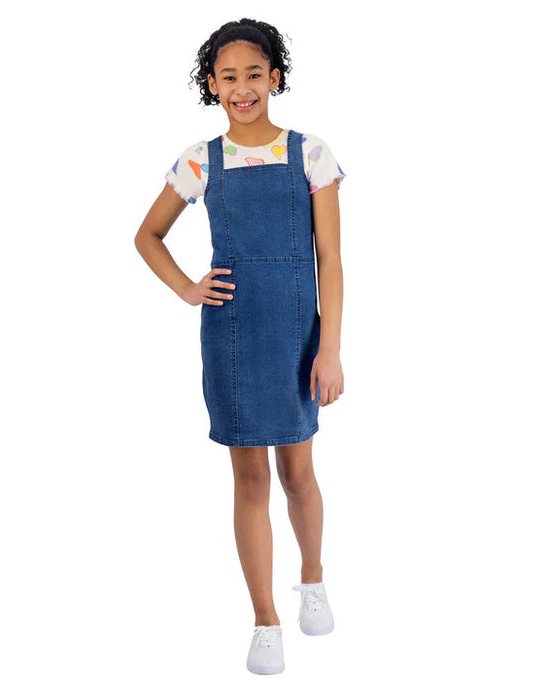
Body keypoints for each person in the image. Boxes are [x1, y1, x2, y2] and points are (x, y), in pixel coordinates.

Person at [134, 18, 345, 675]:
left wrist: (330, 348)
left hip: (296, 334)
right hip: (231, 334)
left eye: (254, 73)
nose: (242, 87)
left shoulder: (310, 154)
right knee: (249, 476)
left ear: (274, 78)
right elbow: (146, 236)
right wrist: (187, 288)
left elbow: (330, 258)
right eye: (228, 77)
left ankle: (312, 577)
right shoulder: (201, 160)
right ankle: (264, 618)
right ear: (212, 85)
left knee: (297, 471)